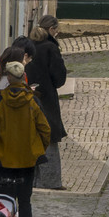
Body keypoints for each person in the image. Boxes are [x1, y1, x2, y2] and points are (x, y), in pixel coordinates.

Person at [0, 53, 51, 217]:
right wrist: (37, 148)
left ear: (8, 79)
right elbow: (45, 129)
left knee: (3, 195)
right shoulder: (33, 102)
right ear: (23, 78)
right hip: (27, 158)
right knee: (25, 198)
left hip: (3, 157)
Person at [28, 13, 69, 146]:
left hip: (28, 95)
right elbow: (59, 78)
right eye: (56, 30)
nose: (57, 33)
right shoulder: (50, 48)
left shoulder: (28, 45)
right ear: (51, 29)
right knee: (48, 137)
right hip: (46, 97)